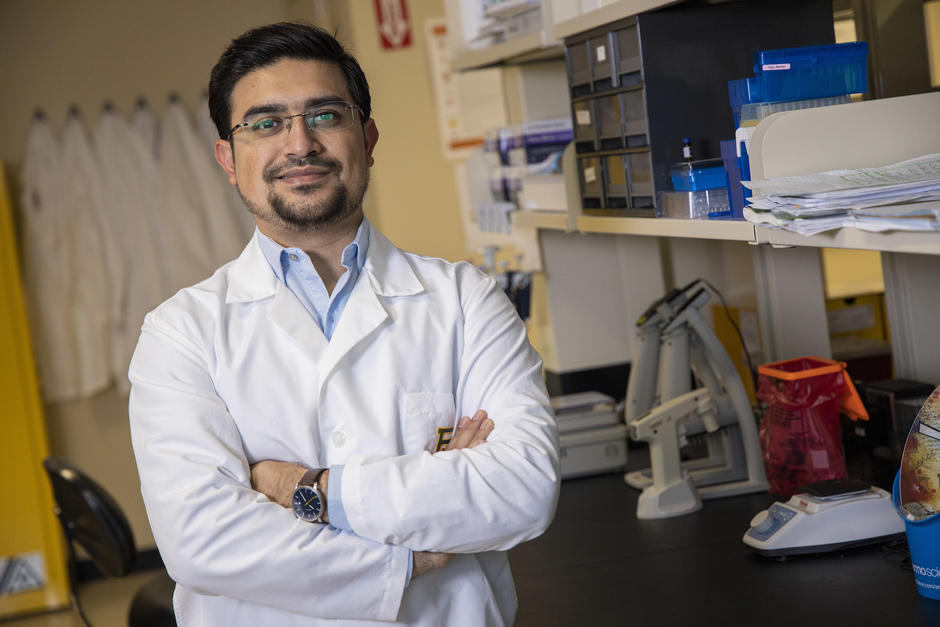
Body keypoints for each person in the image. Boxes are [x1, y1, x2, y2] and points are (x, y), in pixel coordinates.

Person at [128, 22, 560, 626]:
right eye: (265, 123)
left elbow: (522, 492)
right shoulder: (180, 332)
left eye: (325, 114)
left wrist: (305, 489)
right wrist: (412, 554)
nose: (299, 144)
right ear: (228, 157)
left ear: (368, 135)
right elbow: (201, 541)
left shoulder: (464, 300)